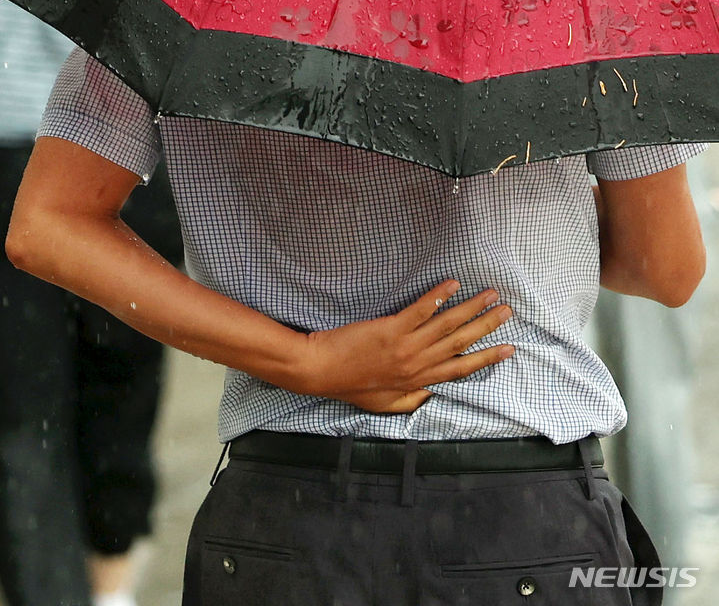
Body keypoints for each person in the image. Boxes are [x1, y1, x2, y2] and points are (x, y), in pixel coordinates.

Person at [5, 45, 707, 606]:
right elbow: (664, 267)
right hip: (517, 516)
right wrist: (531, 208)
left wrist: (303, 360)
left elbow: (48, 226)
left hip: (282, 513)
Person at [0, 0, 184, 606]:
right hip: (12, 132)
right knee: (25, 418)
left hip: (133, 145)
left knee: (121, 400)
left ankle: (110, 585)